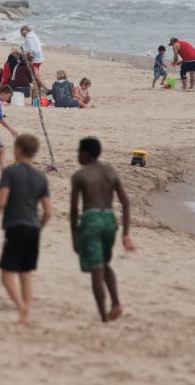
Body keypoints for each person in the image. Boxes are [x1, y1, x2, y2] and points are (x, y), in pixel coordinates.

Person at [0, 133, 53, 324]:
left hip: (16, 225)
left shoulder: (10, 172)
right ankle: (25, 314)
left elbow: (2, 200)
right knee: (25, 273)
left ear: (19, 150)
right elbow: (48, 211)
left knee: (6, 274)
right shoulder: (41, 177)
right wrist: (40, 228)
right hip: (33, 228)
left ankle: (20, 305)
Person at [70, 137, 135, 322]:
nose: (77, 155)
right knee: (105, 264)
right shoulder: (110, 172)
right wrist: (126, 234)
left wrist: (74, 236)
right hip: (109, 220)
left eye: (79, 152)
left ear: (86, 153)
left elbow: (74, 210)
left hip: (92, 220)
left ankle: (104, 317)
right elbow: (125, 202)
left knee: (96, 269)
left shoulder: (80, 176)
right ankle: (116, 303)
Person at [20, 25, 47, 91]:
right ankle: (40, 88)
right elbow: (28, 46)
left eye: (23, 32)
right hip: (39, 57)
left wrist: (28, 55)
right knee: (36, 74)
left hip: (37, 59)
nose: (23, 34)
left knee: (36, 74)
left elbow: (32, 48)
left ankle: (46, 88)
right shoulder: (32, 35)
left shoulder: (29, 37)